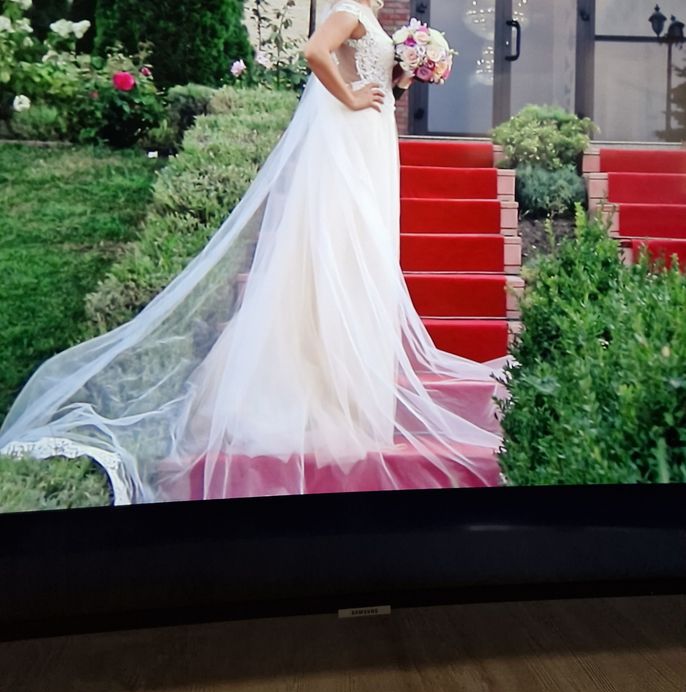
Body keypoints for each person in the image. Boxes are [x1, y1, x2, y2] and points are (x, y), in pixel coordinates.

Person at [0, 0, 509, 505]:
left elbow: (368, 76)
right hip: (348, 141)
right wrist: (352, 98)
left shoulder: (373, 17)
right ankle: (315, 392)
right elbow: (315, 51)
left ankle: (351, 395)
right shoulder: (350, 10)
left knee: (363, 261)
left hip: (371, 141)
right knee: (339, 253)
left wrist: (403, 74)